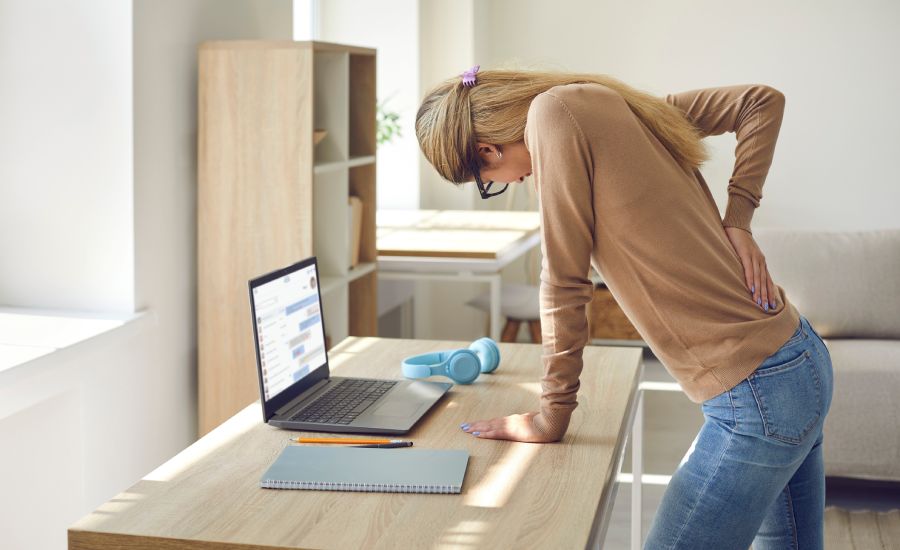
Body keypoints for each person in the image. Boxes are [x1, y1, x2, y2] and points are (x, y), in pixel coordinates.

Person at [415, 65, 834, 549]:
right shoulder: (602, 102)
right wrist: (737, 219)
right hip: (796, 359)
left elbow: (563, 281)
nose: (511, 181)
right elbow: (760, 101)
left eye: (487, 180)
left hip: (759, 394)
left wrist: (550, 416)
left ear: (487, 150)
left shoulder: (551, 117)